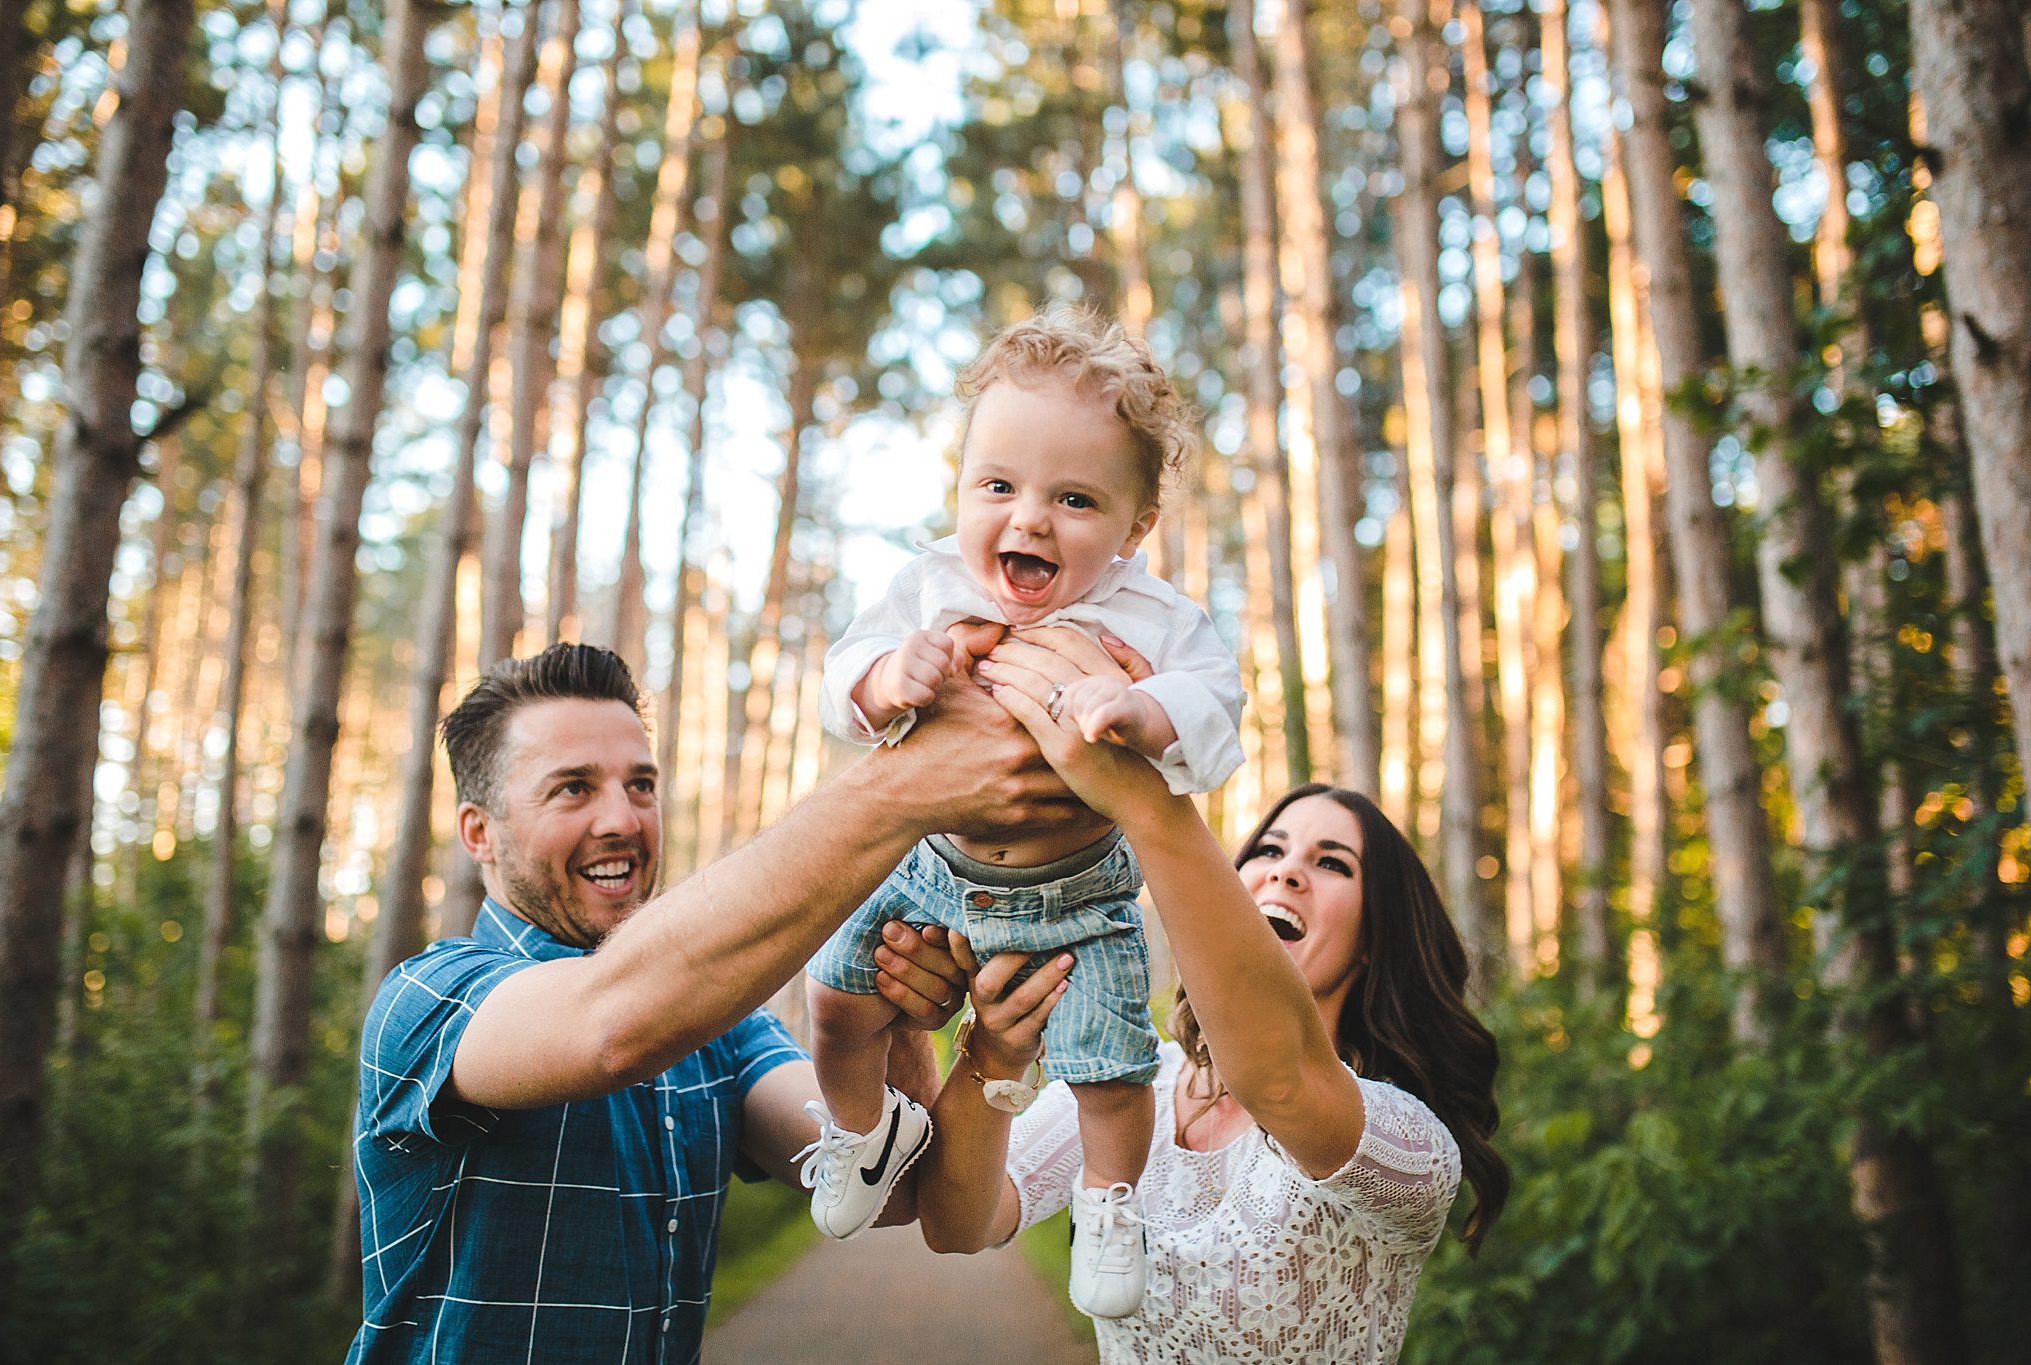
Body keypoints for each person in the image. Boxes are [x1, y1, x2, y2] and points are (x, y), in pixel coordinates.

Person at [342, 641, 1098, 1365]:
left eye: (640, 784)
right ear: (480, 832)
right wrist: (902, 788)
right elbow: (611, 1027)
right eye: (574, 787)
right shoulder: (430, 998)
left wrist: (894, 1019)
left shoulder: (723, 1032)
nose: (622, 819)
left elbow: (890, 1190)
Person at [891, 629, 1509, 1362]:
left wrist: (1142, 794)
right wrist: (991, 1054)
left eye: (1332, 862)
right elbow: (959, 1225)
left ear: (1376, 937)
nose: (1284, 873)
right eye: (1268, 851)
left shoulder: (1406, 1144)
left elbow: (1278, 1077)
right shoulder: (1131, 1084)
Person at [798, 306, 1245, 1319]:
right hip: (928, 865)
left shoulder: (1152, 620)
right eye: (996, 486)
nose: (1027, 519)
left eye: (1073, 498)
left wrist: (1141, 709)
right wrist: (881, 679)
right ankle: (867, 1135)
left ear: (1134, 527)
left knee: (1109, 1070)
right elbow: (836, 683)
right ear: (960, 487)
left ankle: (1110, 1201)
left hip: (1074, 898)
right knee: (832, 1002)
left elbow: (1216, 716)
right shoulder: (929, 583)